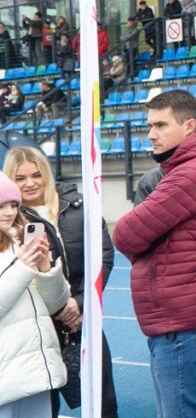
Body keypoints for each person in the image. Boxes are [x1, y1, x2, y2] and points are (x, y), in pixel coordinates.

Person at [113, 91, 196, 418]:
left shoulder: (189, 174)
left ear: (190, 125)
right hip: (182, 317)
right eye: (150, 125)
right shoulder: (192, 167)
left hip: (183, 320)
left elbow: (124, 235)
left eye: (161, 125)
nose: (151, 134)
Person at [7, 147, 119, 417]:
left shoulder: (80, 206)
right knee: (47, 404)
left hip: (84, 317)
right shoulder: (10, 221)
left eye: (36, 175)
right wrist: (60, 309)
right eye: (20, 178)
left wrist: (79, 304)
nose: (31, 183)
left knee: (102, 396)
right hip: (42, 325)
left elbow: (102, 255)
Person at [0, 171, 69, 416]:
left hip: (37, 371)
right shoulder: (20, 256)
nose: (9, 212)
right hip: (6, 378)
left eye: (13, 205)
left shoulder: (22, 242)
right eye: (1, 206)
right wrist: (22, 268)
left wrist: (45, 268)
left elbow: (56, 305)